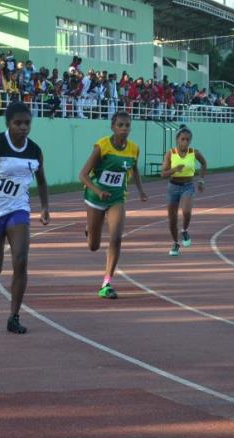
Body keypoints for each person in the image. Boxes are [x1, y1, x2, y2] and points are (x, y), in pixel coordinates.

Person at [0, 102, 48, 333]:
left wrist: (44, 207)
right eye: (18, 123)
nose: (23, 127)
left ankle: (14, 316)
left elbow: (42, 181)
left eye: (27, 123)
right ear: (8, 124)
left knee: (21, 260)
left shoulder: (34, 151)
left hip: (18, 209)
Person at [78, 111, 147, 299]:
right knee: (93, 245)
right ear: (113, 127)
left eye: (127, 126)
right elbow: (83, 175)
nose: (124, 129)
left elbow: (134, 169)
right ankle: (90, 230)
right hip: (95, 196)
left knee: (116, 238)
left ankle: (106, 283)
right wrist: (98, 191)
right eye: (120, 125)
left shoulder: (134, 148)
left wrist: (140, 190)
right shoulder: (102, 146)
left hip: (117, 197)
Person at [161, 126, 208, 257]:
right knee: (172, 220)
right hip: (173, 187)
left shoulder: (194, 152)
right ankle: (175, 243)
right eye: (182, 139)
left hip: (188, 185)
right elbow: (163, 174)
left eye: (188, 140)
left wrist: (201, 180)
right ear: (177, 140)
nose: (185, 142)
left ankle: (185, 230)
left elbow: (204, 164)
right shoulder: (171, 153)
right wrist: (174, 169)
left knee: (186, 211)